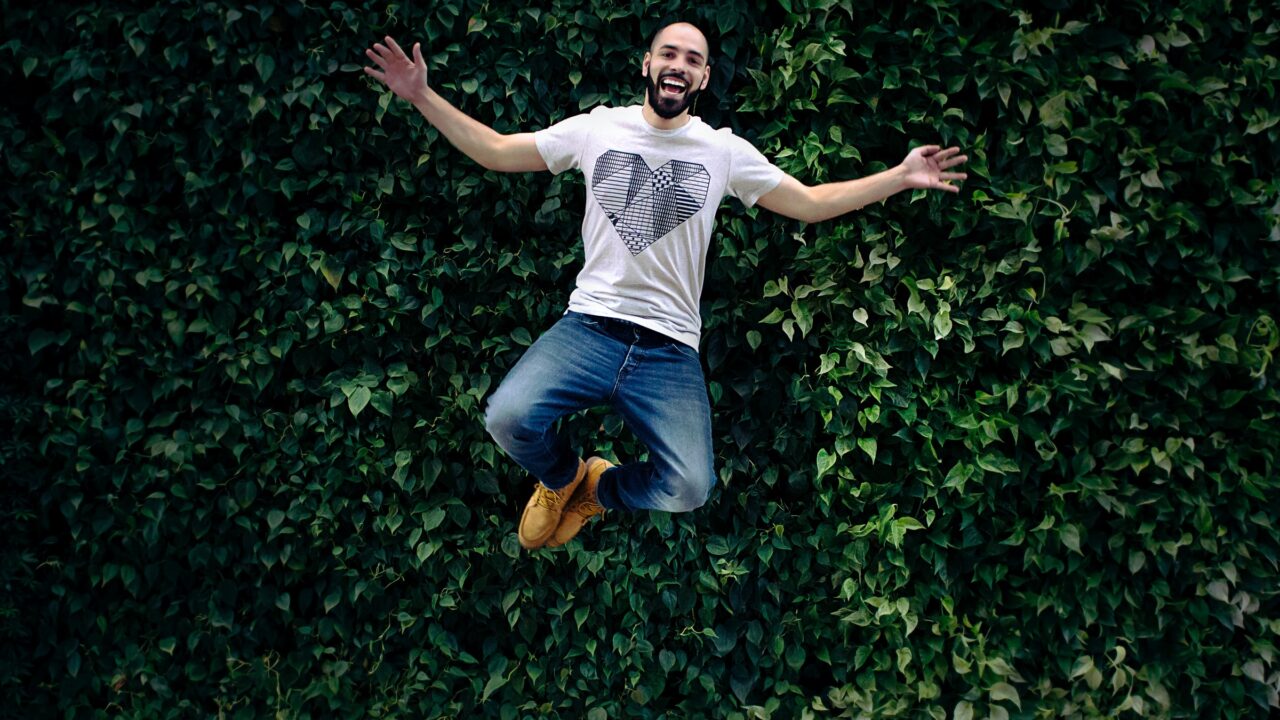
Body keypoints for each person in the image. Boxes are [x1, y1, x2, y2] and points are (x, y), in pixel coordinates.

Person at [363, 22, 968, 550]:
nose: (679, 65)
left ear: (703, 79)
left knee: (689, 487)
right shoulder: (598, 130)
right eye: (669, 54)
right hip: (589, 328)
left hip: (668, 349)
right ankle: (560, 475)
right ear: (647, 64)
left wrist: (899, 176)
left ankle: (597, 490)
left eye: (693, 59)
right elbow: (497, 151)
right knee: (506, 417)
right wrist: (421, 95)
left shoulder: (723, 152)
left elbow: (809, 203)